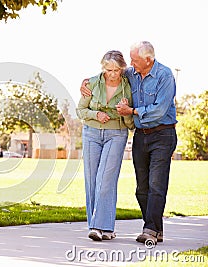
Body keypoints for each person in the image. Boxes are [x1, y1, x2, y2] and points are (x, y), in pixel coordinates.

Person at [80, 41, 177, 245]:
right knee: (142, 188)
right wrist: (86, 81)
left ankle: (149, 229)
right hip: (141, 135)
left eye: (134, 60)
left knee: (156, 184)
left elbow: (159, 110)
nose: (130, 64)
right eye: (131, 60)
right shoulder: (131, 74)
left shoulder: (164, 75)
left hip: (163, 134)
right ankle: (155, 227)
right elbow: (105, 77)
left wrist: (131, 112)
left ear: (148, 60)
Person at [76, 50, 134, 241]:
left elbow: (130, 124)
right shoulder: (91, 83)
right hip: (91, 133)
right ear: (103, 68)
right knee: (92, 180)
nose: (112, 74)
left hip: (116, 134)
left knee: (105, 180)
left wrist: (125, 112)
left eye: (116, 70)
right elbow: (81, 110)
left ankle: (101, 226)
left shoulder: (128, 87)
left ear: (122, 69)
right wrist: (96, 115)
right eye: (108, 69)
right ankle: (100, 228)